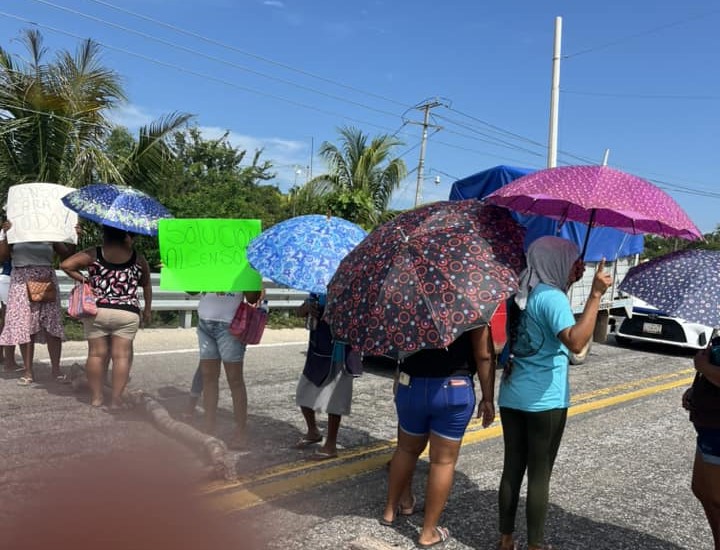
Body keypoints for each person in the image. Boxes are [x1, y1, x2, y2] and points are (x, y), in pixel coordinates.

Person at [496, 236, 612, 550]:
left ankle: (505, 539)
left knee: (512, 469)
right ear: (555, 262)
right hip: (544, 401)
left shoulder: (522, 291)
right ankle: (535, 545)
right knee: (539, 475)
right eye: (573, 260)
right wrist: (596, 296)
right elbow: (576, 342)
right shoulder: (552, 298)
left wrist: (573, 282)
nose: (579, 266)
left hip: (511, 394)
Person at [380, 324, 496, 549]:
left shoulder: (408, 296)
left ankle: (390, 511)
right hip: (453, 387)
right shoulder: (470, 299)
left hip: (411, 384)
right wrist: (488, 397)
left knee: (405, 449)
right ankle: (428, 531)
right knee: (442, 461)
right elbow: (483, 355)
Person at [60, 225, 151, 410]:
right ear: (125, 235)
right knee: (122, 356)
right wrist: (148, 309)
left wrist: (86, 280)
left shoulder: (95, 253)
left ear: (105, 233)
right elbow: (147, 284)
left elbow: (66, 265)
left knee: (96, 354)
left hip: (98, 310)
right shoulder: (138, 258)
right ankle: (116, 399)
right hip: (127, 312)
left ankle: (96, 397)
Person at [0, 220, 77, 385]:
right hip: (21, 279)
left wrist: (73, 237)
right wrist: (6, 234)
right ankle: (28, 372)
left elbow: (66, 254)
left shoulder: (49, 230)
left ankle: (56, 370)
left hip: (46, 278)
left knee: (52, 325)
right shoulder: (13, 229)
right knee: (26, 325)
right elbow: (2, 256)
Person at [294, 293, 361, 460]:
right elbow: (300, 312)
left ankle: (331, 444)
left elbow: (357, 316)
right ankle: (313, 431)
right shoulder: (317, 286)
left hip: (340, 350)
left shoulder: (352, 287)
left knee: (335, 400)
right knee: (303, 393)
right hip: (318, 348)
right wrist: (308, 308)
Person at [194, 290, 261, 448]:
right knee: (208, 377)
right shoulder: (205, 264)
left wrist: (251, 276)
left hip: (231, 325)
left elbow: (253, 297)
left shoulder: (244, 265)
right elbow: (191, 290)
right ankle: (209, 427)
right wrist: (175, 270)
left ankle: (241, 431)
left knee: (235, 379)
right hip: (205, 322)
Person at [683, 340, 720, 549]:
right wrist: (695, 390)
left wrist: (703, 366)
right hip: (708, 426)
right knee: (703, 490)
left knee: (717, 498)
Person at [0, 258, 19, 372]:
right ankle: (10, 361)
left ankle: (3, 356)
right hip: (12, 279)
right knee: (11, 321)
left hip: (5, 277)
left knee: (5, 320)